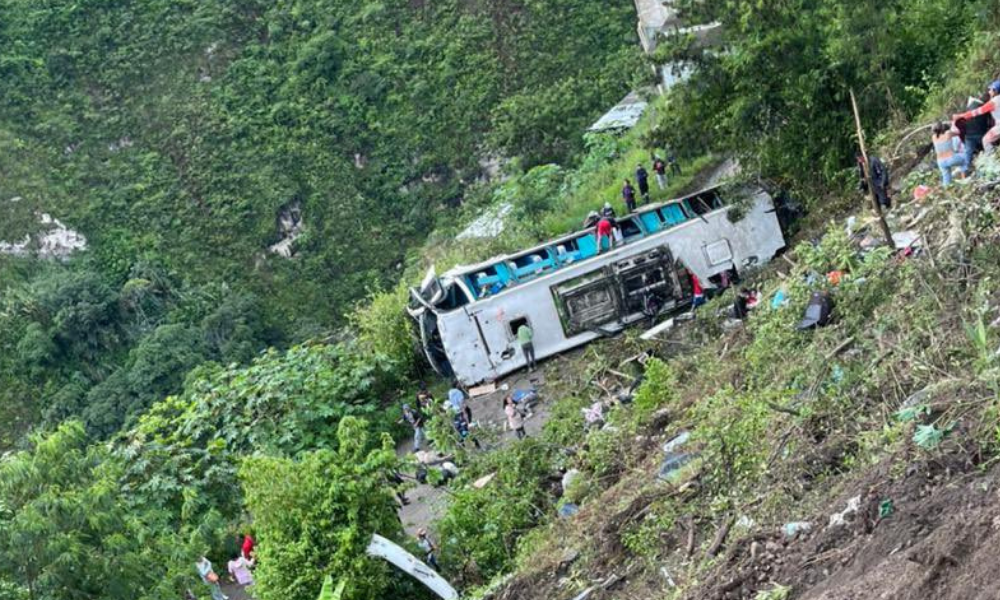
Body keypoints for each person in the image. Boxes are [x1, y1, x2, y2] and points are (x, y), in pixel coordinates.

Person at [954, 81, 1000, 154]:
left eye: (991, 89)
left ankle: (992, 158)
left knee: (985, 140)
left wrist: (960, 116)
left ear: (995, 91)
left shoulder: (993, 102)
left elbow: (976, 112)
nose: (989, 91)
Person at [955, 95, 993, 167]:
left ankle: (966, 169)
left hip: (969, 136)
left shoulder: (968, 110)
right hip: (981, 134)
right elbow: (989, 121)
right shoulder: (983, 109)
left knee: (968, 154)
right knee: (986, 148)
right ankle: (989, 162)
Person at [931, 121, 968, 187]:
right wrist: (953, 124)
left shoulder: (933, 137)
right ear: (942, 127)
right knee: (965, 158)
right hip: (951, 158)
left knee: (946, 179)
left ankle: (947, 190)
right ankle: (963, 179)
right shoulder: (948, 133)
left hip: (940, 162)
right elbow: (958, 132)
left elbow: (939, 134)